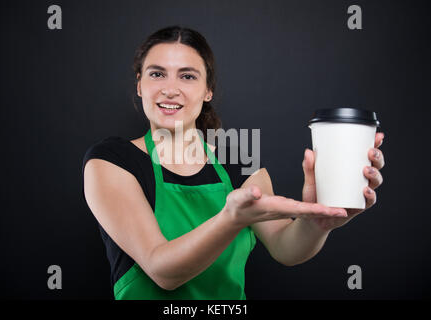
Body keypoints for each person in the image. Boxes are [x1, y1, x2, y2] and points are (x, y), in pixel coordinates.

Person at [82, 25, 385, 300]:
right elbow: (163, 271)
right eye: (157, 73)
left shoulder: (238, 161)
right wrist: (232, 219)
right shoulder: (111, 161)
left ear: (208, 90)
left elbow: (286, 248)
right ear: (139, 85)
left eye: (187, 76)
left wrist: (318, 225)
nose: (170, 88)